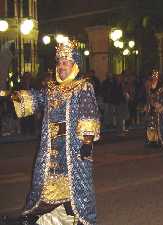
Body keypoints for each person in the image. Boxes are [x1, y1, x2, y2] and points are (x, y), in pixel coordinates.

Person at [11, 39, 100, 225]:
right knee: (46, 183)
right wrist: (17, 96)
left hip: (73, 149)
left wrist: (87, 142)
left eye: (65, 62)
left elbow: (88, 115)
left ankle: (80, 220)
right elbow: (37, 99)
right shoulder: (52, 89)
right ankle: (40, 217)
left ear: (74, 65)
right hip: (51, 148)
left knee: (76, 186)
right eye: (59, 63)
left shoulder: (83, 87)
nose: (61, 66)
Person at [145, 69, 163, 148]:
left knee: (160, 124)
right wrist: (149, 105)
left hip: (160, 108)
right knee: (151, 124)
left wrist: (161, 104)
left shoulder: (162, 86)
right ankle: (152, 140)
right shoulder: (149, 86)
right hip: (152, 108)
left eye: (156, 76)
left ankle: (162, 140)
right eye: (153, 76)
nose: (154, 77)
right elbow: (148, 97)